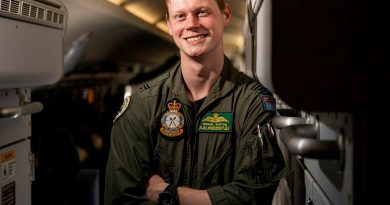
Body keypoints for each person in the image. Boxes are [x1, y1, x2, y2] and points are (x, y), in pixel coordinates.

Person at [104, 0, 286, 204]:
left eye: (201, 12)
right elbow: (121, 199)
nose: (191, 23)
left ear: (226, 15)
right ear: (169, 24)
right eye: (180, 16)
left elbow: (252, 195)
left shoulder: (253, 102)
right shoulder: (142, 105)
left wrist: (169, 193)